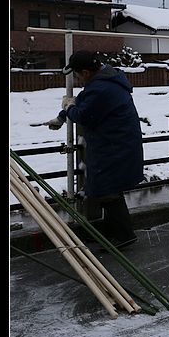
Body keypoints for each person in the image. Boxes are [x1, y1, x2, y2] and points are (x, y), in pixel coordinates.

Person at [52, 50, 144, 249]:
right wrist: (62, 115)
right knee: (108, 187)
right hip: (118, 143)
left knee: (107, 189)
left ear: (85, 72)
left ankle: (124, 235)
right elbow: (84, 102)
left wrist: (68, 109)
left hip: (113, 145)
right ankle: (111, 231)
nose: (76, 79)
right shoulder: (107, 80)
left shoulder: (101, 88)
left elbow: (85, 116)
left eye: (76, 74)